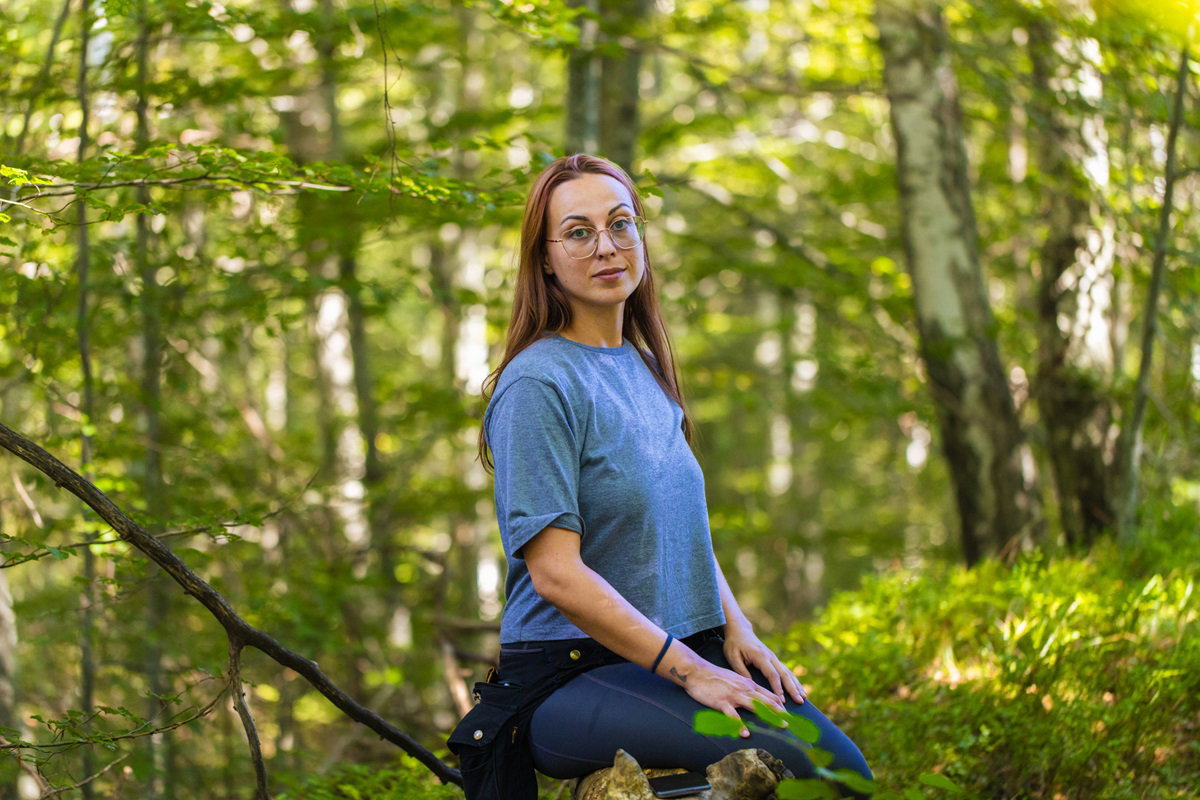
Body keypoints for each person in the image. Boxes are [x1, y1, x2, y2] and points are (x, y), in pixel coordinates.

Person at [447, 154, 872, 799]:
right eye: (580, 232)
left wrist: (737, 629)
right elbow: (555, 572)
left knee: (845, 775)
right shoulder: (538, 384)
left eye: (622, 224)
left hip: (673, 650)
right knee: (811, 773)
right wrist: (690, 672)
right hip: (568, 675)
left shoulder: (644, 368)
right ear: (545, 258)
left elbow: (682, 530)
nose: (607, 246)